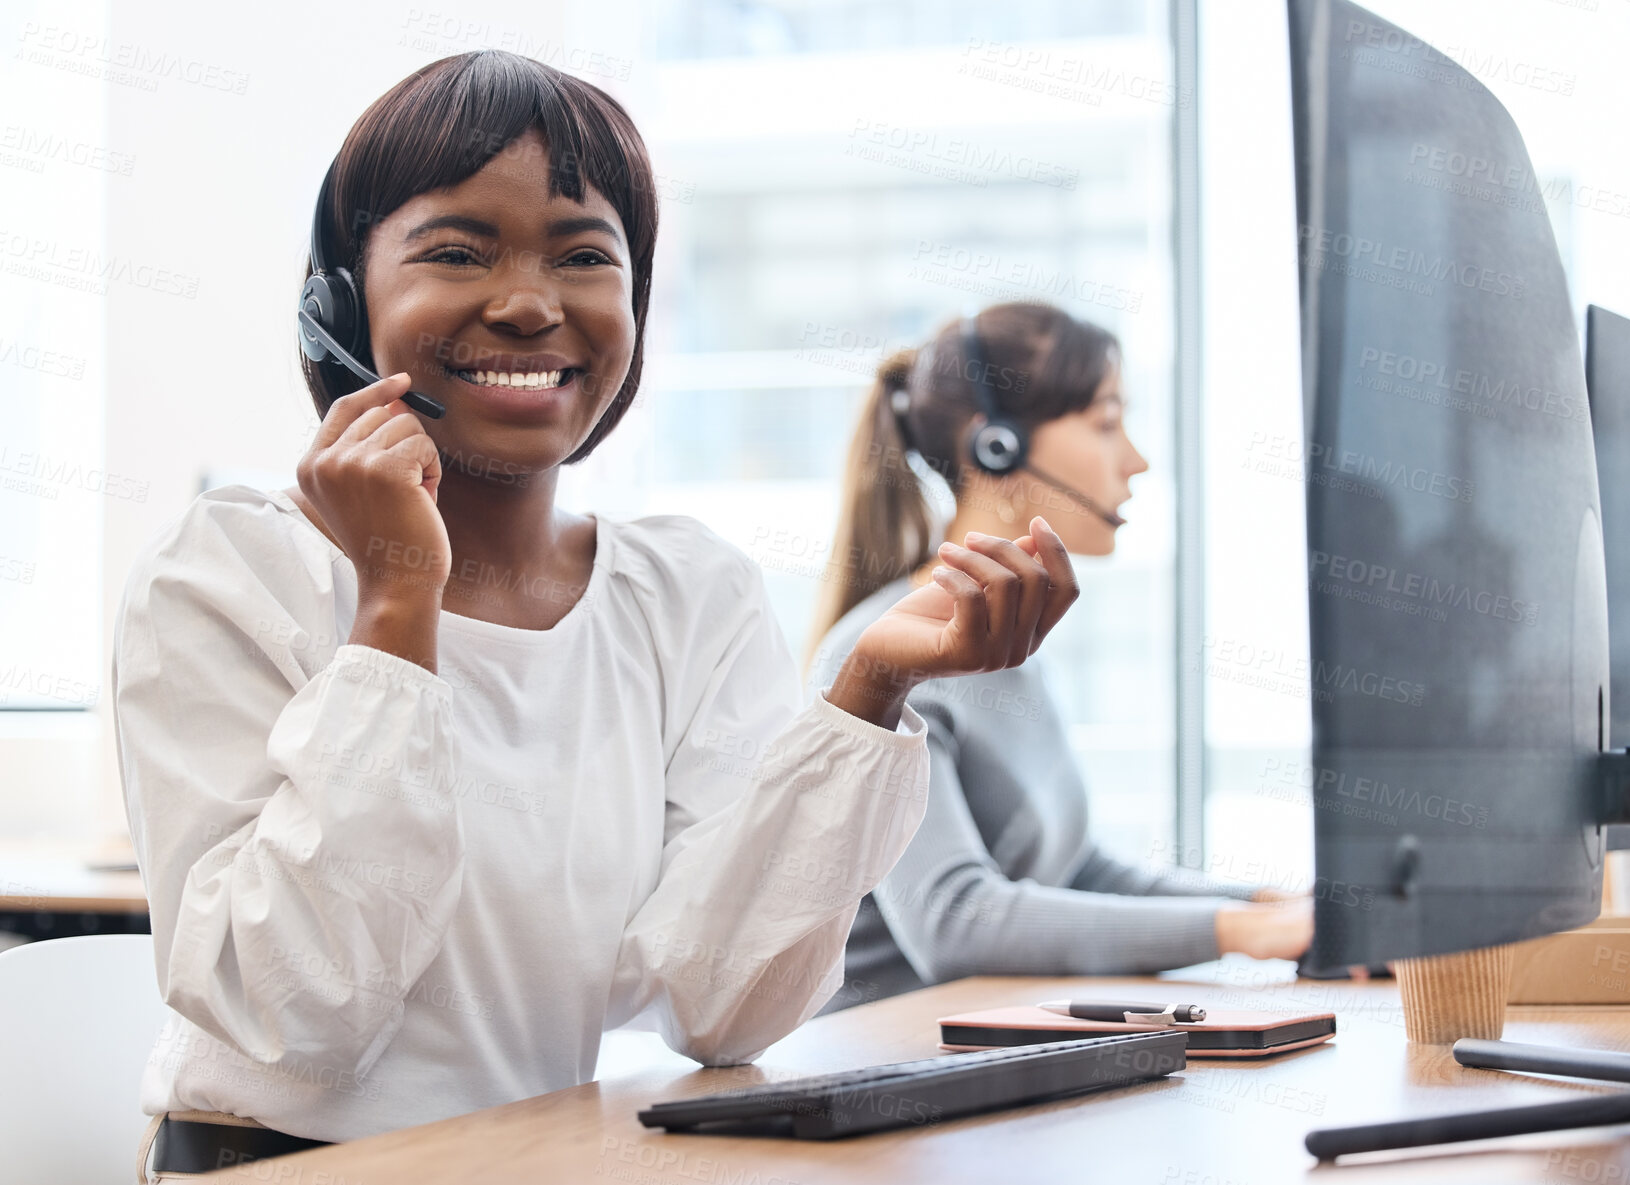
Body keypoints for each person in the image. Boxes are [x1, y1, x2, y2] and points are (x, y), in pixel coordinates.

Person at [113, 53, 1082, 1174]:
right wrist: (393, 606)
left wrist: (867, 693)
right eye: (456, 251)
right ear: (338, 300)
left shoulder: (683, 592)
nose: (529, 304)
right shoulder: (229, 571)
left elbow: (724, 1008)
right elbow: (298, 1011)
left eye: (583, 256)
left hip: (546, 1156)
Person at [804, 302, 1312, 1013]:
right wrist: (1242, 931)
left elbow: (1077, 870)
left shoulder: (1006, 644)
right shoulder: (884, 660)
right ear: (997, 450)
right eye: (1106, 422)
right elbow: (955, 919)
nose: (1135, 460)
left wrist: (1272, 905)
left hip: (991, 1055)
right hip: (886, 1073)